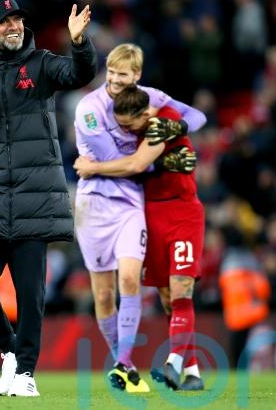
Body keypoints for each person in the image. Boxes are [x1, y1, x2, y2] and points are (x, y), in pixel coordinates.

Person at [0, 0, 96, 397]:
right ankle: (9, 348)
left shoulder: (41, 63)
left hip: (33, 196)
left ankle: (25, 372)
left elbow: (79, 73)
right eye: (5, 22)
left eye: (18, 20)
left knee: (30, 293)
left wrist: (79, 43)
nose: (14, 27)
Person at [74, 83, 206, 391]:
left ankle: (174, 362)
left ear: (144, 115)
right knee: (167, 297)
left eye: (129, 125)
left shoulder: (163, 119)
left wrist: (94, 168)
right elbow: (137, 165)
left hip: (183, 212)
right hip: (151, 213)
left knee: (181, 288)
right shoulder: (131, 130)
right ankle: (192, 372)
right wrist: (164, 164)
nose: (126, 131)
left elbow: (136, 164)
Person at [218, 225, 270, 369]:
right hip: (253, 310)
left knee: (237, 344)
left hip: (234, 311)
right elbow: (262, 286)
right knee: (249, 344)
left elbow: (223, 286)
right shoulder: (251, 260)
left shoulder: (226, 261)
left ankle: (236, 368)